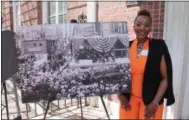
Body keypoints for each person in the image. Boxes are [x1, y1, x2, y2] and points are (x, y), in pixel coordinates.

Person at [118, 9, 175, 119]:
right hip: (129, 100)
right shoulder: (126, 46)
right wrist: (120, 95)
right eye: (139, 24)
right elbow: (118, 74)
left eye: (147, 25)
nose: (142, 28)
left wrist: (155, 103)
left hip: (150, 102)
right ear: (134, 26)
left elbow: (165, 78)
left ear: (150, 28)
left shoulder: (158, 46)